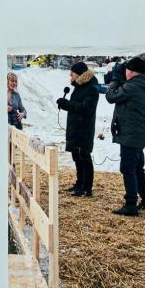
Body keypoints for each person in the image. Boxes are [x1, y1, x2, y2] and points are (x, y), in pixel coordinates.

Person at [105, 57, 145, 214]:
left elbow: (110, 96)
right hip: (137, 133)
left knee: (128, 169)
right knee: (138, 168)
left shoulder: (133, 87)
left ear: (132, 71)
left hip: (130, 134)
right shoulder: (143, 84)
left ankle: (131, 205)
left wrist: (114, 80)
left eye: (126, 70)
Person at [57, 62, 99, 196]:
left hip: (83, 130)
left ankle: (87, 187)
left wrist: (67, 105)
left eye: (72, 73)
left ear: (79, 74)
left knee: (84, 157)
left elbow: (85, 108)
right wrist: (67, 104)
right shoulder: (80, 86)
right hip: (76, 129)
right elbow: (76, 106)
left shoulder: (91, 88)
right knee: (77, 157)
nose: (70, 75)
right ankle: (80, 183)